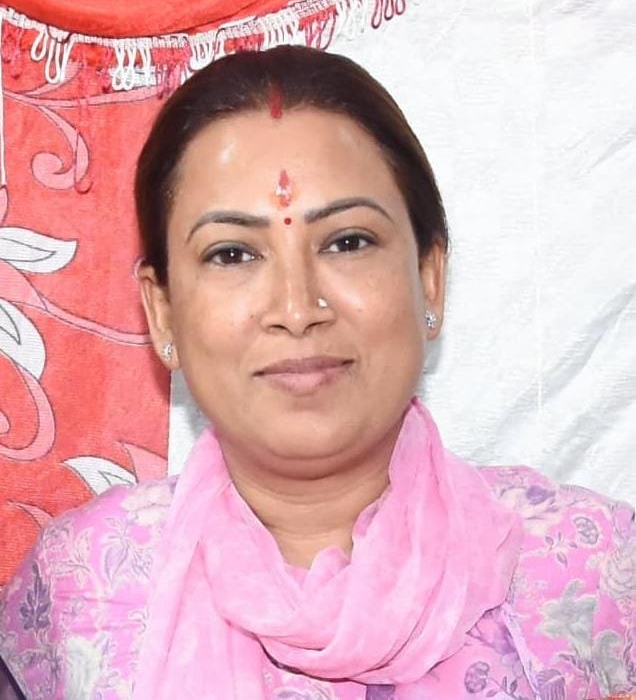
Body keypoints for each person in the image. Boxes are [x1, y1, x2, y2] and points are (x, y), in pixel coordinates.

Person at [0, 46, 633, 700]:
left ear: (429, 278)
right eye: (233, 254)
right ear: (162, 313)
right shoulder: (78, 593)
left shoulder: (591, 574)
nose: (297, 308)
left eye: (347, 242)